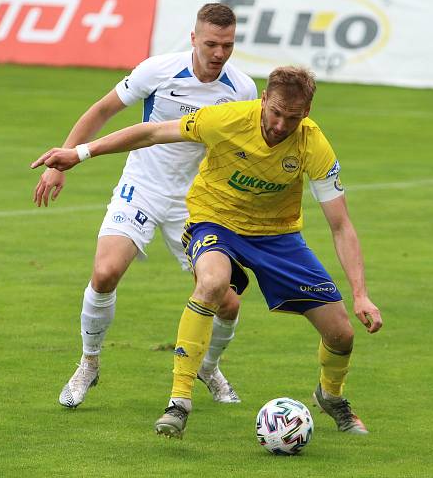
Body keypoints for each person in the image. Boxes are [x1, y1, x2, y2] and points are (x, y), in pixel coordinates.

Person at [31, 66, 384, 438]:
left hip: (278, 236)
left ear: (306, 113)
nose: (281, 124)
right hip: (214, 222)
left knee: (341, 333)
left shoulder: (313, 145)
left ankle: (331, 396)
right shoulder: (227, 119)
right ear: (263, 100)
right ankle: (178, 402)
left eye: (293, 118)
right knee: (213, 283)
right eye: (276, 112)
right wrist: (81, 152)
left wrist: (361, 294)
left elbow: (341, 224)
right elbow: (151, 132)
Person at [33, 3, 258, 409]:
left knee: (227, 300)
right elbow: (103, 110)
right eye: (211, 43)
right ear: (193, 39)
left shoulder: (242, 90)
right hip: (142, 187)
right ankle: (88, 363)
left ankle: (208, 366)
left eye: (227, 44)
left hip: (196, 203)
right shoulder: (158, 70)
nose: (219, 53)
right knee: (104, 273)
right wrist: (61, 162)